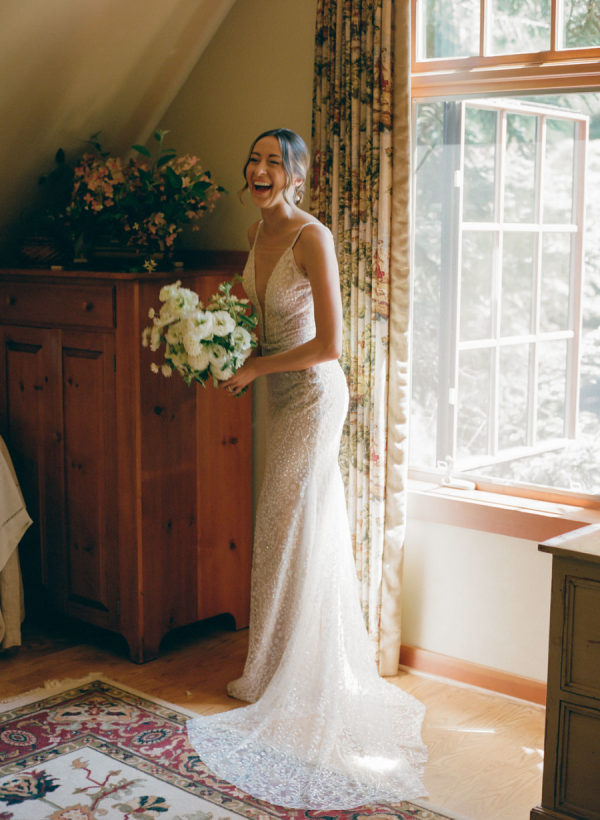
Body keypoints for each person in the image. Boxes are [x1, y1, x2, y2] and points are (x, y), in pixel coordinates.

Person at [186, 128, 427, 810]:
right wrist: (217, 347)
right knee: (295, 523)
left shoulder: (310, 237)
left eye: (275, 161)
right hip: (276, 393)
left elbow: (330, 344)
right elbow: (255, 319)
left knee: (281, 521)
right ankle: (285, 659)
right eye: (254, 158)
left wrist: (257, 365)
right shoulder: (254, 232)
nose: (260, 168)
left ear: (297, 177)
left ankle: (274, 670)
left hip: (315, 396)